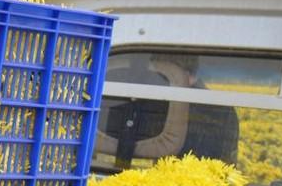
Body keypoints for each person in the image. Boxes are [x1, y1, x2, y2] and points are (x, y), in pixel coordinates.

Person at [96, 53, 239, 167]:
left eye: (160, 77)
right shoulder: (224, 109)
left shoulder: (212, 112)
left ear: (186, 77)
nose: (152, 81)